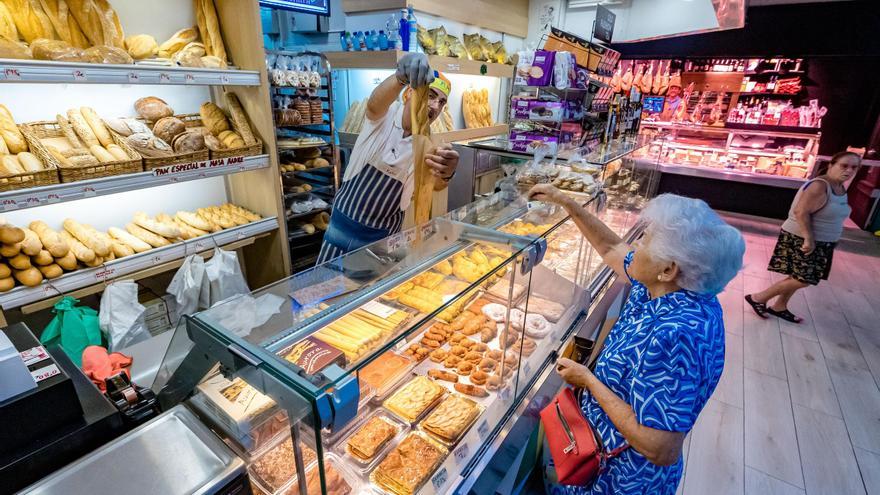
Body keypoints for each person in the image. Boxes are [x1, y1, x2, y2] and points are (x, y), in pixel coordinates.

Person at [528, 185, 744, 495]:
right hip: (591, 454)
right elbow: (612, 249)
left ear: (668, 269)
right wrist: (567, 203)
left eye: (646, 239)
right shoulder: (669, 290)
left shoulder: (678, 334)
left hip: (618, 479)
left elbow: (661, 447)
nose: (636, 243)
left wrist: (589, 381)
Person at [317, 53, 460, 263]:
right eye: (430, 95)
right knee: (326, 290)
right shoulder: (383, 118)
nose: (436, 106)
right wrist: (400, 77)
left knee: (369, 293)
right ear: (409, 92)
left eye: (442, 102)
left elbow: (435, 184)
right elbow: (374, 104)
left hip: (382, 240)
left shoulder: (429, 144)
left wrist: (447, 174)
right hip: (342, 231)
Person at [746, 151, 861, 322]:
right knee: (804, 279)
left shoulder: (840, 187)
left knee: (797, 276)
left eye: (854, 167)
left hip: (823, 240)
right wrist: (808, 238)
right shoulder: (820, 185)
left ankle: (780, 306)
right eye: (844, 166)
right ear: (831, 165)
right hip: (803, 238)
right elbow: (801, 212)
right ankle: (758, 298)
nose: (849, 170)